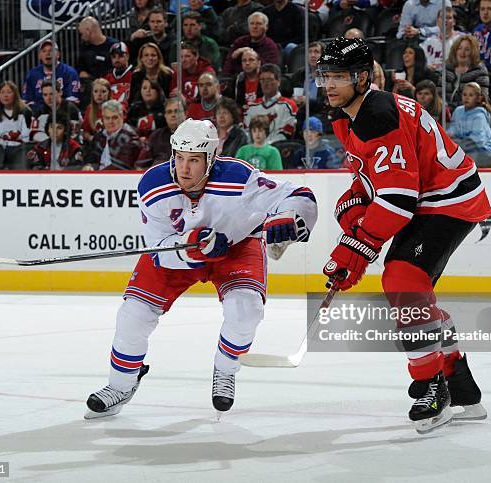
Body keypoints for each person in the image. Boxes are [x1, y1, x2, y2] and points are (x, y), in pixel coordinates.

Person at [84, 118, 318, 419]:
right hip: (178, 253)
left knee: (245, 310)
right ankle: (121, 384)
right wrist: (193, 245)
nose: (184, 168)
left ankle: (225, 369)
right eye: (179, 157)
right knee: (133, 315)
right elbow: (159, 251)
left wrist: (291, 217)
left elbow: (301, 196)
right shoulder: (152, 186)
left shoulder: (239, 177)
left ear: (210, 159)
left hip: (238, 246)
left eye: (194, 160)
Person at [315, 37, 491, 433]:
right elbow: (372, 177)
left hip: (448, 200)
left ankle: (433, 386)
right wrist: (354, 208)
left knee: (403, 280)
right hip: (426, 198)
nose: (328, 84)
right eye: (325, 76)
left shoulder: (378, 114)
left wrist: (357, 245)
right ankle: (460, 384)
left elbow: (398, 196)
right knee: (414, 291)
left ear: (362, 78)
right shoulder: (346, 113)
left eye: (339, 76)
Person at [0, 81, 32, 170]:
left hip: (18, 150)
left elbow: (27, 138)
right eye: (2, 92)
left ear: (15, 95)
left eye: (9, 92)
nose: (5, 95)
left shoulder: (25, 112)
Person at [244, 64, 298, 144]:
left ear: (278, 81)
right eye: (262, 80)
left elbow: (285, 134)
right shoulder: (251, 106)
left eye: (269, 79)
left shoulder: (288, 105)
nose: (265, 83)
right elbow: (247, 133)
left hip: (277, 150)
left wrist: (264, 147)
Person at [87, 100, 148, 170]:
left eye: (114, 118)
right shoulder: (100, 136)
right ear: (103, 119)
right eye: (107, 118)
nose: (110, 122)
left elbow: (122, 165)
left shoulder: (130, 137)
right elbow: (91, 157)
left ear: (122, 117)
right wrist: (89, 166)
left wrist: (98, 173)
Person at [22, 40, 81, 108]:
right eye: (44, 51)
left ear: (58, 54)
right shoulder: (32, 74)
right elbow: (26, 101)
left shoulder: (69, 72)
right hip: (38, 114)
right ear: (40, 56)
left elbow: (73, 100)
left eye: (51, 50)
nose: (47, 53)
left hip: (63, 114)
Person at [221, 12, 281, 77]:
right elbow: (228, 66)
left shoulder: (270, 46)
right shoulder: (240, 42)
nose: (254, 27)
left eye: (259, 24)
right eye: (252, 24)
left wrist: (252, 54)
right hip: (237, 80)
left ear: (266, 27)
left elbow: (271, 71)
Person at [447, 82, 491, 160]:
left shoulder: (480, 116)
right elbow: (454, 128)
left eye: (471, 95)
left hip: (482, 150)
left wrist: (459, 143)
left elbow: (478, 140)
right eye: (464, 95)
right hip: (463, 145)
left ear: (478, 98)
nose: (467, 98)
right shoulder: (458, 111)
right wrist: (447, 136)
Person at [442, 35, 490, 109]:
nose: (462, 52)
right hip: (445, 111)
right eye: (459, 48)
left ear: (473, 52)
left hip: (469, 111)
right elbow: (439, 92)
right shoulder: (447, 67)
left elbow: (482, 97)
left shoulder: (479, 70)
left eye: (467, 49)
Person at [143, 97, 186, 167]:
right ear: (165, 116)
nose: (173, 115)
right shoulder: (156, 136)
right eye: (169, 112)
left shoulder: (194, 135)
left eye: (177, 111)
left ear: (185, 113)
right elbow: (141, 165)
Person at [104, 42, 134, 107]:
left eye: (120, 56)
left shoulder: (135, 74)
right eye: (114, 57)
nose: (117, 59)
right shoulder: (107, 76)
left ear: (128, 56)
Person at [82, 78, 111, 146]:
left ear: (109, 93)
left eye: (103, 91)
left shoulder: (115, 109)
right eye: (96, 91)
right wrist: (91, 138)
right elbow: (85, 131)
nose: (99, 95)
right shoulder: (89, 109)